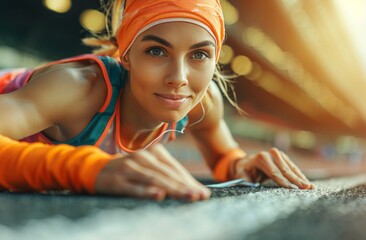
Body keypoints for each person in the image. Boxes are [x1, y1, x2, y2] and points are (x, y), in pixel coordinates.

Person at [0, 0, 314, 201]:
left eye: (199, 54)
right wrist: (87, 169)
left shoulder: (202, 100)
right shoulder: (77, 87)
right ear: (126, 57)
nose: (179, 77)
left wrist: (242, 164)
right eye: (156, 50)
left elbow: (223, 160)